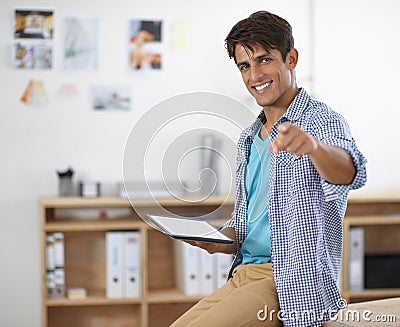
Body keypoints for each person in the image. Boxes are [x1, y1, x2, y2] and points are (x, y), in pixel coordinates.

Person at [171, 10, 367, 327]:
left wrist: (313, 148)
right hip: (241, 275)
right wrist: (216, 240)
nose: (254, 75)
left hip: (286, 283)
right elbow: (246, 229)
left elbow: (351, 173)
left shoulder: (320, 121)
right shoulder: (249, 138)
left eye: (264, 60)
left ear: (291, 58)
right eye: (245, 66)